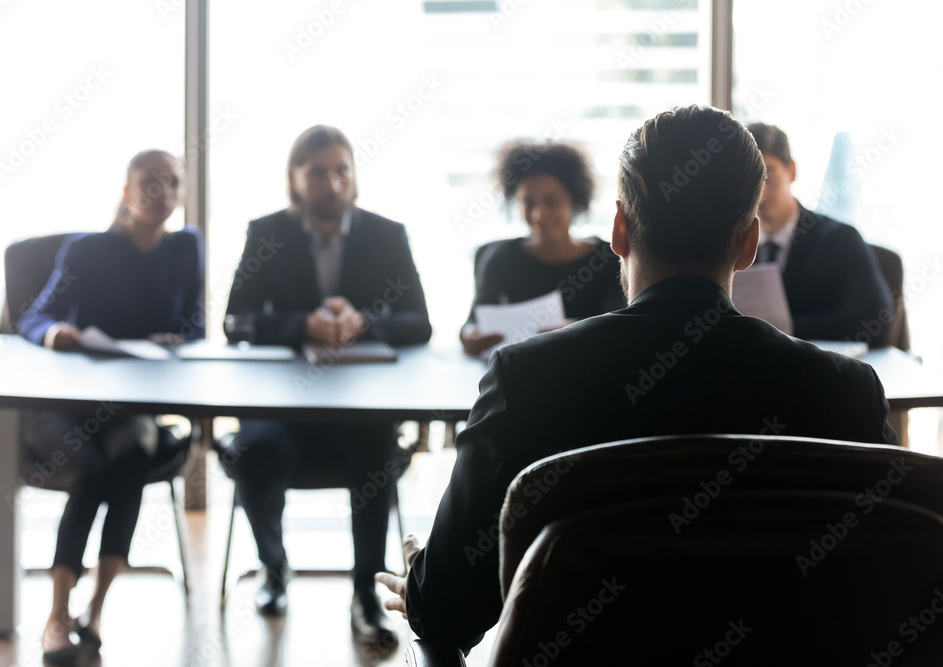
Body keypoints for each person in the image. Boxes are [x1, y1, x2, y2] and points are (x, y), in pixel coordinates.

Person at [375, 105, 897, 653]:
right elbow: (887, 581)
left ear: (620, 229)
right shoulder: (845, 393)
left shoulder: (529, 379)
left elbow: (447, 613)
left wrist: (423, 586)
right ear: (748, 244)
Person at [222, 125, 431, 648]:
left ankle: (365, 590)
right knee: (252, 452)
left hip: (359, 406)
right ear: (294, 179)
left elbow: (420, 324)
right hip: (284, 407)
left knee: (377, 445)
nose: (332, 183)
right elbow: (234, 322)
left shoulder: (387, 234)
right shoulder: (266, 232)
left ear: (354, 177)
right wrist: (301, 325)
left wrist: (362, 321)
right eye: (317, 172)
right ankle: (274, 570)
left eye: (342, 170)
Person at [16, 149, 203, 663]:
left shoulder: (186, 248)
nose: (160, 191)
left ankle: (94, 609)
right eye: (148, 181)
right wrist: (55, 333)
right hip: (70, 404)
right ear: (125, 192)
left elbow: (198, 327)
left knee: (130, 455)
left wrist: (178, 339)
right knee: (96, 469)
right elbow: (33, 318)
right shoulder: (87, 251)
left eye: (171, 182)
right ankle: (58, 614)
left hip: (132, 407)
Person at [460, 141, 627, 355]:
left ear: (574, 200)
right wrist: (470, 336)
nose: (539, 215)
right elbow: (473, 322)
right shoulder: (500, 258)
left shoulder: (609, 258)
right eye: (528, 203)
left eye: (551, 201)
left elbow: (622, 329)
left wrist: (577, 330)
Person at [746, 122, 893, 346]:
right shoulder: (734, 244)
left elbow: (876, 321)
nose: (761, 193)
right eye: (751, 180)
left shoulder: (840, 240)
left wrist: (785, 329)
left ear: (792, 171)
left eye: (768, 176)